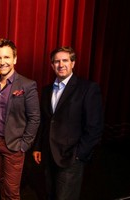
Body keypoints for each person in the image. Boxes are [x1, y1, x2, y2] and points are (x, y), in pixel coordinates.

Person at [33, 46, 104, 200]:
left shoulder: (87, 88)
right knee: (49, 194)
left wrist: (79, 155)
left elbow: (95, 127)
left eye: (65, 60)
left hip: (71, 158)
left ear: (73, 63)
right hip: (48, 155)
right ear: (52, 65)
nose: (61, 64)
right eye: (57, 61)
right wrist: (38, 147)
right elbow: (45, 122)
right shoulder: (46, 90)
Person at [0, 39, 40, 200]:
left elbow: (34, 118)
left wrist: (24, 145)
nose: (2, 62)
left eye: (6, 57)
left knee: (12, 191)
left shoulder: (27, 85)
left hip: (14, 146)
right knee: (1, 182)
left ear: (14, 59)